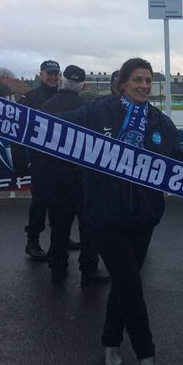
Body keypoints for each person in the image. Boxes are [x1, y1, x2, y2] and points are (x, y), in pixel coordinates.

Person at [59, 58, 183, 365]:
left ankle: (109, 344)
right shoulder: (96, 112)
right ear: (122, 82)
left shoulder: (160, 122)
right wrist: (10, 117)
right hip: (104, 218)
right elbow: (54, 127)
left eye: (148, 80)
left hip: (143, 218)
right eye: (138, 80)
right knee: (131, 283)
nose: (144, 86)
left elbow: (177, 157)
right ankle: (146, 353)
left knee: (124, 282)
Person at [39, 65, 109, 286]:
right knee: (88, 224)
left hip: (54, 174)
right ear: (82, 86)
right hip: (82, 175)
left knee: (59, 224)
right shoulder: (86, 108)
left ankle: (57, 268)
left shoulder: (47, 106)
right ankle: (88, 269)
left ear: (62, 81)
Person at [15, 60, 61, 261]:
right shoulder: (30, 98)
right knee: (40, 202)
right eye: (49, 73)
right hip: (40, 160)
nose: (53, 77)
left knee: (61, 203)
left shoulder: (63, 96)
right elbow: (15, 125)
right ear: (41, 74)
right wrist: (19, 159)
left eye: (56, 73)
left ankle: (61, 238)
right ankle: (32, 241)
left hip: (61, 160)